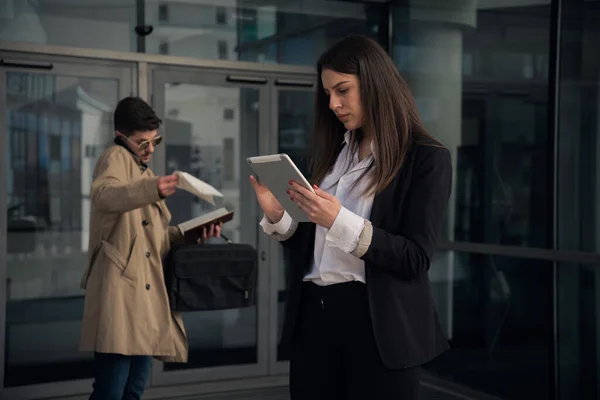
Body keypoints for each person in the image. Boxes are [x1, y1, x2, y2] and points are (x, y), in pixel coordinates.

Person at [250, 35, 452, 399]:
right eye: (328, 93)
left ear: (375, 83)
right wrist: (279, 217)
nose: (333, 104)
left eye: (342, 90)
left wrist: (338, 219)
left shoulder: (426, 158)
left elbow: (416, 258)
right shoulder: (333, 155)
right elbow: (310, 247)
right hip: (314, 318)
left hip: (379, 325)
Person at [79, 96, 221, 399]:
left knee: (133, 389)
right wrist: (153, 188)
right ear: (121, 137)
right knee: (111, 391)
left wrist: (191, 234)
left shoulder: (141, 170)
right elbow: (104, 194)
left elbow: (153, 238)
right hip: (121, 297)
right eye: (142, 142)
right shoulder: (115, 157)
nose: (151, 148)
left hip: (142, 298)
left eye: (154, 140)